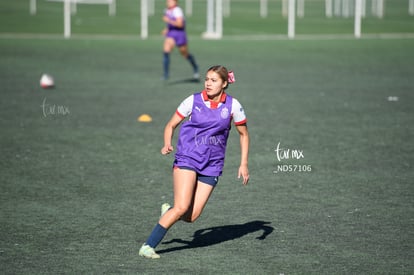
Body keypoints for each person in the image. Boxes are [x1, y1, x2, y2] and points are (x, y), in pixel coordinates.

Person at [139, 65, 250, 259]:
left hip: (213, 164)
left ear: (224, 84)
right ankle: (148, 245)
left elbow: (244, 135)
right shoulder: (193, 100)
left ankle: (169, 212)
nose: (208, 83)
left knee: (192, 217)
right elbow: (171, 125)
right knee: (182, 207)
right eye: (206, 79)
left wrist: (243, 163)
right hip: (188, 157)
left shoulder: (233, 106)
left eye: (213, 80)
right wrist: (167, 143)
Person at [161, 0, 199, 80]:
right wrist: (167, 29)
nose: (168, 2)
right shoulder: (167, 10)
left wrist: (168, 20)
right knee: (166, 51)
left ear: (175, 2)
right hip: (171, 33)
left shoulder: (177, 10)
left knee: (185, 54)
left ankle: (195, 67)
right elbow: (171, 25)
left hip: (179, 34)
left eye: (171, 0)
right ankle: (166, 74)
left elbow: (180, 24)